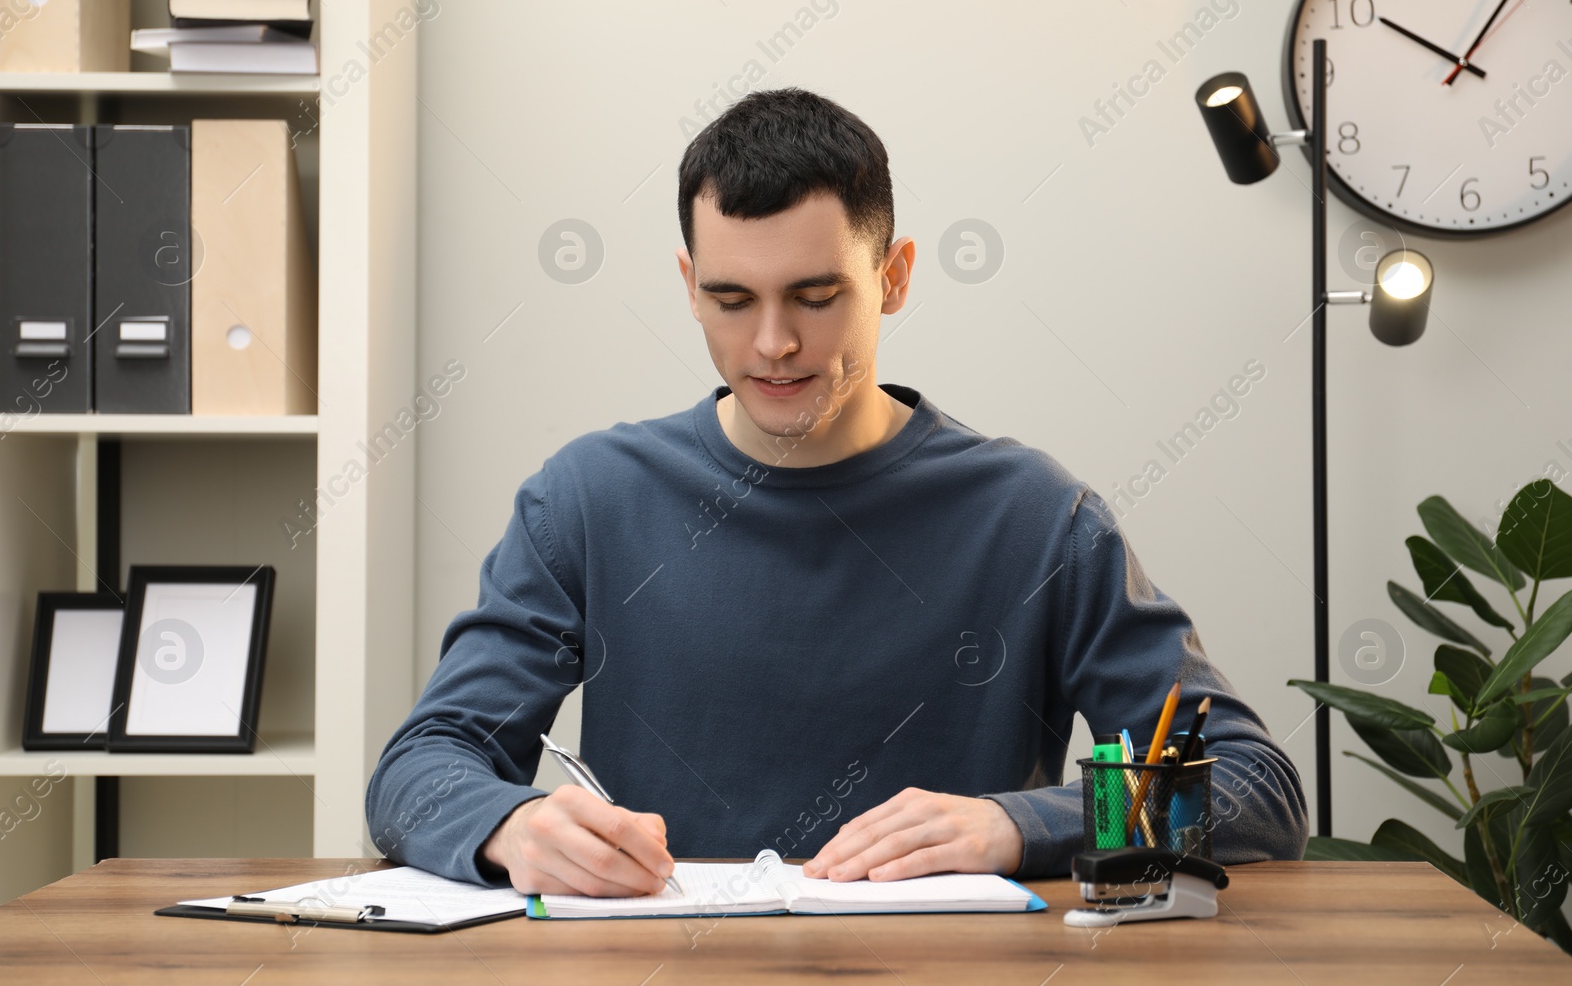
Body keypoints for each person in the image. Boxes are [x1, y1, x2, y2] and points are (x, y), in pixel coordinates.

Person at [366, 88, 1308, 896]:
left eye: (815, 298)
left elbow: (1254, 787)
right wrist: (510, 825)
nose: (772, 343)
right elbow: (419, 767)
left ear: (891, 278)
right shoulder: (588, 498)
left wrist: (1023, 825)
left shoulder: (1034, 515)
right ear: (690, 286)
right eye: (732, 300)